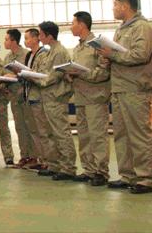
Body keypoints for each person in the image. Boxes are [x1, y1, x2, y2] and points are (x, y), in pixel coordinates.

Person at [97, 0, 152, 194]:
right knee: (122, 135)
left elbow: (140, 55)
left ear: (125, 6)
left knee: (139, 134)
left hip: (135, 88)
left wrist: (112, 55)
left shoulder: (142, 28)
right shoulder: (121, 30)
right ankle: (128, 175)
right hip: (120, 87)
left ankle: (146, 178)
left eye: (115, 4)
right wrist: (107, 57)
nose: (113, 9)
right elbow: (120, 55)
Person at [26, 21, 76, 181]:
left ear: (49, 36)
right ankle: (54, 164)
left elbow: (51, 77)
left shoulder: (59, 52)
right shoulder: (50, 52)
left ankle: (68, 167)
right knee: (50, 133)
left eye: (41, 34)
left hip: (56, 98)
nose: (39, 37)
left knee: (61, 133)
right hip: (47, 98)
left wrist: (33, 78)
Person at [68, 11, 110, 186]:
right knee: (84, 136)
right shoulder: (77, 48)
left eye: (73, 23)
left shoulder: (98, 44)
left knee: (97, 136)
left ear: (82, 25)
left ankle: (101, 172)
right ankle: (89, 169)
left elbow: (104, 72)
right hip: (80, 97)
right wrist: (70, 74)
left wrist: (81, 74)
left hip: (95, 97)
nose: (70, 27)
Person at [1, 29, 36, 168]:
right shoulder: (8, 57)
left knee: (30, 127)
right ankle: (24, 156)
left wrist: (15, 76)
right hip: (14, 97)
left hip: (26, 96)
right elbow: (4, 73)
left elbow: (32, 74)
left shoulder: (27, 55)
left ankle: (34, 157)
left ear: (13, 41)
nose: (4, 42)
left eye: (6, 39)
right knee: (20, 128)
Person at [22, 28, 48, 171]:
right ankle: (39, 158)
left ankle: (47, 160)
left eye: (27, 38)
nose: (25, 41)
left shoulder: (43, 54)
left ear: (35, 38)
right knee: (33, 130)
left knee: (42, 130)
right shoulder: (29, 55)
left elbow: (42, 75)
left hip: (38, 96)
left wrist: (29, 74)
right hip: (28, 95)